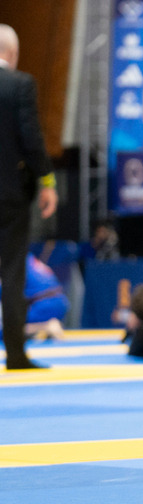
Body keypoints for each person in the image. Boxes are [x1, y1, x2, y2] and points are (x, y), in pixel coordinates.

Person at [0, 24, 58, 370]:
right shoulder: (20, 85)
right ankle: (17, 354)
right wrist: (48, 182)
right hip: (9, 196)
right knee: (12, 271)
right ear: (13, 53)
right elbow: (31, 140)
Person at [0, 253, 68, 342]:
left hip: (43, 305)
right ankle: (36, 329)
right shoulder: (25, 256)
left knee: (4, 331)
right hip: (58, 300)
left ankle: (44, 327)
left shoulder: (11, 261)